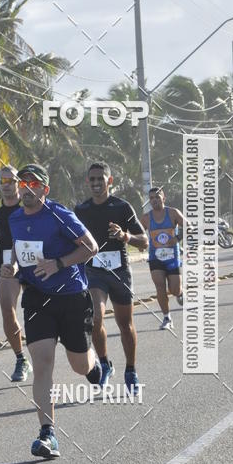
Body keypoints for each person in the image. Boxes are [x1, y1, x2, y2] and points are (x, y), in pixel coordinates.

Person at [1, 164, 101, 459]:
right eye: (23, 183)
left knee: (79, 366)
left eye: (33, 184)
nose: (26, 188)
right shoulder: (16, 218)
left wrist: (59, 264)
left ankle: (94, 366)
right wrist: (14, 267)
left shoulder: (60, 215)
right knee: (42, 363)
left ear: (44, 189)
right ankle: (48, 434)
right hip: (37, 299)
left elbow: (91, 247)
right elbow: (21, 253)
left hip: (71, 297)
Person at [74, 163, 148, 393]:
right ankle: (104, 363)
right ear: (88, 182)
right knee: (96, 316)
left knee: (125, 325)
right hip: (94, 271)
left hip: (120, 272)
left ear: (110, 181)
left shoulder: (122, 207)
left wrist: (124, 236)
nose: (96, 183)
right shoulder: (81, 210)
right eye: (92, 179)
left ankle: (131, 370)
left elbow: (144, 241)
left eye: (100, 179)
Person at [0, 165, 30, 382]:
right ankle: (21, 359)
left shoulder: (27, 204)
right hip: (5, 261)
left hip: (31, 259)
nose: (6, 185)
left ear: (18, 183)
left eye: (10, 181)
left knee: (38, 309)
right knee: (7, 310)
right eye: (2, 181)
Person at [140, 187, 185, 329]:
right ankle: (167, 318)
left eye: (157, 197)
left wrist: (177, 238)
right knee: (159, 286)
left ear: (163, 198)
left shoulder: (173, 213)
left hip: (172, 257)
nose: (154, 200)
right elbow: (138, 234)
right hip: (155, 257)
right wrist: (141, 244)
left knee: (174, 290)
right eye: (151, 198)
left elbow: (190, 226)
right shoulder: (146, 218)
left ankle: (180, 293)